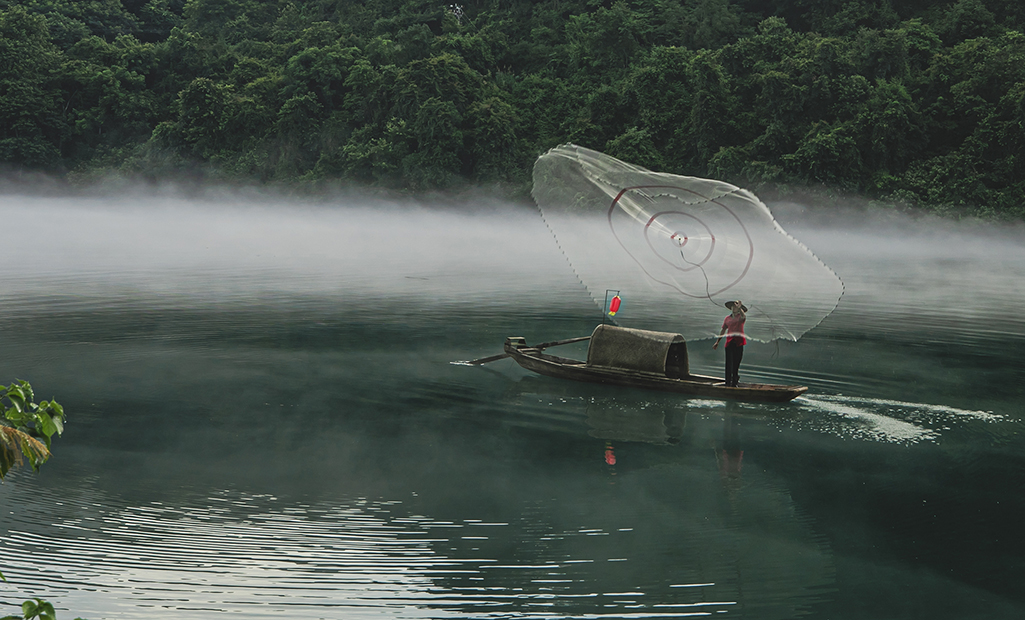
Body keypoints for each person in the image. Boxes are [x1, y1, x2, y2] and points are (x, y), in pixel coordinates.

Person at [712, 301, 747, 387]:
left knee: (736, 364)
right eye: (733, 307)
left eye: (736, 307)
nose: (734, 308)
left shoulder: (740, 317)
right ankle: (728, 383)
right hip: (729, 343)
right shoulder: (727, 318)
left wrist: (740, 308)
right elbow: (723, 330)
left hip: (739, 343)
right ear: (731, 308)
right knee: (729, 364)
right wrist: (717, 342)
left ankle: (734, 382)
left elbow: (744, 316)